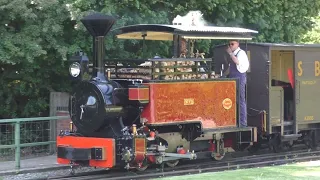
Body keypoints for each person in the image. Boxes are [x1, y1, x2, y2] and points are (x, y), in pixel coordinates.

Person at [226, 40, 250, 127]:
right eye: (229, 44)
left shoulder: (241, 53)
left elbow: (237, 62)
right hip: (233, 79)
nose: (230, 46)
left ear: (237, 44)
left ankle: (243, 122)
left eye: (232, 44)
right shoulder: (233, 54)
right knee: (233, 100)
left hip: (239, 79)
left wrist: (230, 53)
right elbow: (230, 68)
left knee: (240, 100)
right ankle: (235, 120)